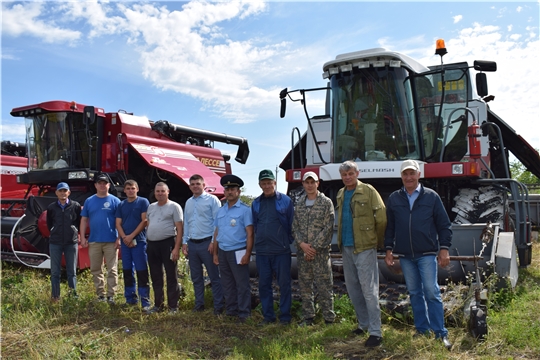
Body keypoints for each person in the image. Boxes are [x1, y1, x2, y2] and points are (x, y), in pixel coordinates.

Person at [384, 159, 453, 350]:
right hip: (405, 255)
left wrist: (444, 248)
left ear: (418, 175)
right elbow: (390, 227)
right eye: (405, 174)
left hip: (427, 253)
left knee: (431, 292)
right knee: (414, 293)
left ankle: (440, 333)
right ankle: (422, 329)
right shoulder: (394, 198)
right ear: (401, 176)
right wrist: (388, 249)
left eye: (412, 173)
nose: (409, 177)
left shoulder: (431, 197)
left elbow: (444, 225)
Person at [336, 160, 387, 347]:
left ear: (357, 173)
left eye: (350, 173)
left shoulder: (369, 191)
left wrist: (376, 241)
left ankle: (376, 332)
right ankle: (363, 324)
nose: (347, 177)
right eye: (344, 175)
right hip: (347, 247)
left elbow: (381, 217)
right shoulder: (341, 194)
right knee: (353, 288)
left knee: (369, 290)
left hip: (364, 247)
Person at [251, 169, 294, 326]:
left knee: (284, 284)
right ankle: (268, 316)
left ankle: (285, 317)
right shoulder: (256, 203)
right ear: (260, 185)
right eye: (264, 183)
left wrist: (285, 241)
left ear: (275, 183)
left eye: (270, 182)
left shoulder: (286, 201)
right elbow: (255, 224)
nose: (267, 185)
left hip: (281, 251)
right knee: (264, 285)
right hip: (262, 251)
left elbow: (291, 224)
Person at [292, 171, 336, 325]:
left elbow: (328, 227)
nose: (310, 185)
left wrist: (314, 248)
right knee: (305, 287)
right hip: (303, 253)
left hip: (320, 254)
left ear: (318, 183)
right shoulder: (299, 204)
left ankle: (329, 319)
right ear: (303, 184)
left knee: (325, 287)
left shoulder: (326, 203)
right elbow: (295, 227)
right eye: (307, 182)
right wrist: (303, 245)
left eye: (313, 182)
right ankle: (308, 317)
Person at [212, 174, 253, 323]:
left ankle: (244, 312)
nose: (229, 192)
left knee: (241, 284)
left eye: (233, 189)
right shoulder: (221, 211)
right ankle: (231, 310)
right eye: (227, 189)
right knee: (227, 283)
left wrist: (247, 253)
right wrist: (215, 253)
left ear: (238, 192)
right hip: (223, 250)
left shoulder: (245, 210)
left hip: (238, 250)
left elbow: (250, 233)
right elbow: (217, 232)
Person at [182, 174, 224, 315]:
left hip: (207, 243)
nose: (195, 186)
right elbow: (186, 223)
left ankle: (218, 306)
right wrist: (184, 242)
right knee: (196, 277)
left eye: (197, 184)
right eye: (192, 184)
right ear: (189, 186)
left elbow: (217, 223)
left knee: (214, 277)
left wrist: (213, 242)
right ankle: (199, 304)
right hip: (192, 244)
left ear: (203, 185)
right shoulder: (188, 202)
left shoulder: (212, 200)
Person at [80, 174, 121, 303]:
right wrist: (82, 237)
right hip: (94, 240)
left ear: (109, 185)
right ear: (96, 185)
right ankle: (101, 295)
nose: (102, 185)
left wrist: (119, 238)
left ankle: (111, 295)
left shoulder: (115, 201)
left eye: (105, 183)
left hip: (111, 241)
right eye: (100, 183)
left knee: (112, 269)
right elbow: (84, 220)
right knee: (96, 268)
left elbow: (120, 221)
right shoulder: (89, 201)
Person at [146, 182, 183, 314]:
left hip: (168, 244)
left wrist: (176, 248)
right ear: (154, 193)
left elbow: (179, 229)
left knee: (171, 275)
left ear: (168, 192)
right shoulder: (151, 207)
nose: (160, 193)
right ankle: (158, 305)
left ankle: (173, 306)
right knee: (156, 275)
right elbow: (149, 224)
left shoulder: (174, 206)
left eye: (162, 191)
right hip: (152, 245)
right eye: (158, 191)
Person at [115, 180, 151, 310]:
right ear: (124, 190)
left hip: (139, 242)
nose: (130, 190)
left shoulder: (143, 202)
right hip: (125, 243)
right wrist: (124, 237)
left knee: (141, 270)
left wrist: (131, 236)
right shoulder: (121, 205)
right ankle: (130, 299)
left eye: (133, 188)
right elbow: (118, 223)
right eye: (128, 188)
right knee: (127, 270)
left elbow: (144, 221)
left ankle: (145, 301)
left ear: (137, 189)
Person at [46, 182, 82, 302]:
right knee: (55, 271)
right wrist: (53, 230)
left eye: (65, 191)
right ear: (56, 193)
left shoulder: (75, 206)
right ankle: (55, 296)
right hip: (55, 242)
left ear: (69, 193)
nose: (62, 193)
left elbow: (79, 221)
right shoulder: (51, 207)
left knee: (72, 271)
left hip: (71, 242)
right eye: (60, 191)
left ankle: (73, 296)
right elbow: (49, 223)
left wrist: (74, 231)